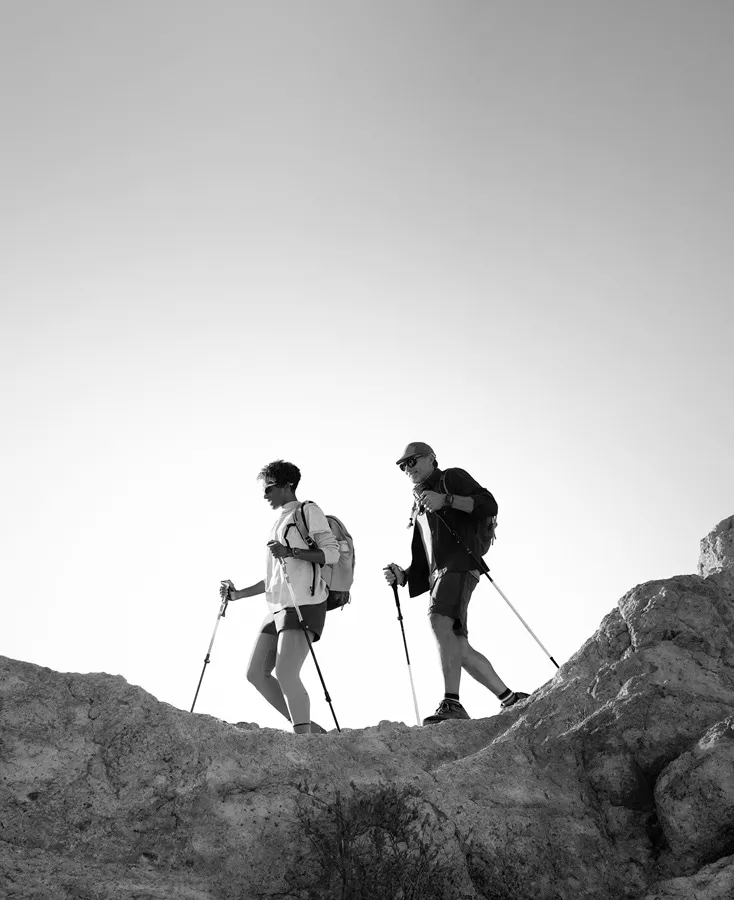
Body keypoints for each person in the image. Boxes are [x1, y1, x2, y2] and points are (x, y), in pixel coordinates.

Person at [383, 442, 528, 724]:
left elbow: (488, 504)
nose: (407, 468)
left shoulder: (451, 478)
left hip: (460, 565)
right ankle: (510, 698)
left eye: (412, 461)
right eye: (403, 466)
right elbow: (428, 558)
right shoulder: (417, 505)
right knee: (457, 645)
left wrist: (446, 500)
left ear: (430, 459)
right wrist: (404, 576)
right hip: (442, 573)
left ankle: (452, 704)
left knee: (438, 621)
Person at [222, 460, 339, 734]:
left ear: (287, 486)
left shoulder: (308, 511)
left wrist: (291, 552)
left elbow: (331, 553)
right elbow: (274, 577)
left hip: (304, 605)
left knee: (287, 674)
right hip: (276, 607)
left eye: (269, 489)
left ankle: (305, 738)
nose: (265, 496)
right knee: (255, 674)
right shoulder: (279, 522)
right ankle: (310, 729)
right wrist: (237, 595)